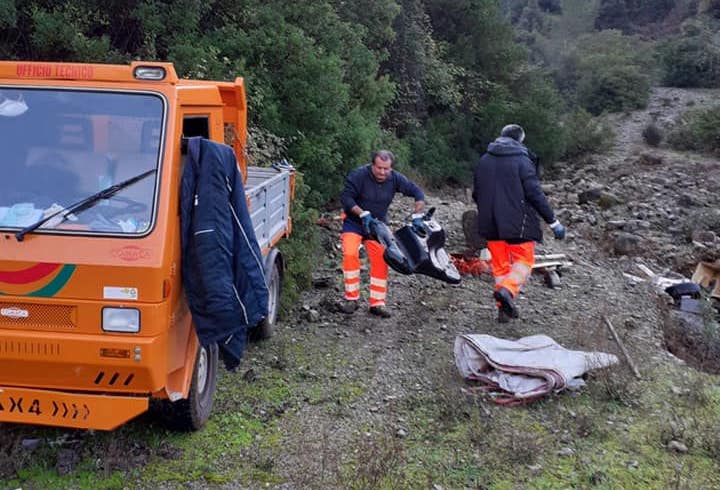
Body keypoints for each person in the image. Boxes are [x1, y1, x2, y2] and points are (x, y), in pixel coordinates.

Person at [472, 124, 566, 323]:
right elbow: (534, 193)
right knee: (524, 262)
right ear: (520, 139)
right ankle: (508, 291)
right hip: (519, 224)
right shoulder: (522, 161)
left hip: (490, 224)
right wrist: (553, 221)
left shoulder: (485, 159)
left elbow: (476, 193)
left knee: (500, 267)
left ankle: (503, 311)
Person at [339, 150, 426, 318]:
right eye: (379, 168)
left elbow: (417, 193)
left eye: (386, 169)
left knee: (381, 259)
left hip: (378, 226)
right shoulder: (359, 176)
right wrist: (362, 213)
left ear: (391, 168)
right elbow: (347, 197)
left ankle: (377, 303)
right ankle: (352, 299)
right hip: (354, 223)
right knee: (350, 254)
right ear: (372, 165)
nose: (382, 172)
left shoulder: (395, 178)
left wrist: (418, 215)